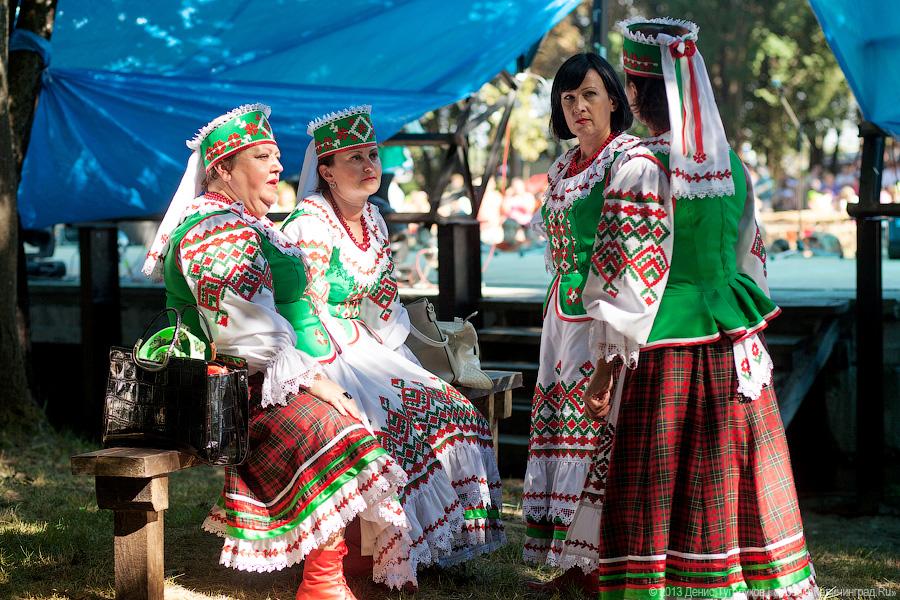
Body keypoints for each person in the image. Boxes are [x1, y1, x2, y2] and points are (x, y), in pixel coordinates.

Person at [556, 19, 819, 600]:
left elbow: (627, 280)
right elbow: (751, 258)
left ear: (634, 90)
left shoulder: (641, 168)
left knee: (661, 475)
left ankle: (666, 583)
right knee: (728, 469)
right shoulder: (731, 166)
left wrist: (603, 369)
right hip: (731, 339)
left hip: (664, 340)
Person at [141, 104, 411, 599]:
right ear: (222, 169)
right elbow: (243, 333)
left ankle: (339, 571)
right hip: (218, 383)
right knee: (333, 425)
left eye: (277, 156)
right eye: (262, 156)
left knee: (353, 416)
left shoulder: (249, 223)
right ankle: (322, 582)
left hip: (261, 371)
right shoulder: (212, 229)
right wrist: (317, 380)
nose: (277, 166)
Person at [280, 105, 506, 582]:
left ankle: (439, 544)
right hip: (323, 350)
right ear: (325, 170)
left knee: (454, 412)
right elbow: (302, 312)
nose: (368, 167)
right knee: (391, 426)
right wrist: (334, 373)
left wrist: (404, 363)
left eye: (373, 156)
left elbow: (383, 304)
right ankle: (374, 551)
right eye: (354, 158)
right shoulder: (309, 224)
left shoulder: (374, 220)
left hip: (367, 344)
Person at [521, 52, 665, 588]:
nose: (579, 107)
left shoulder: (624, 160)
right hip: (560, 315)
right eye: (568, 98)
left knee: (595, 426)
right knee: (564, 426)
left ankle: (597, 557)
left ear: (614, 99)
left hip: (602, 315)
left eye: (590, 95)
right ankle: (567, 555)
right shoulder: (564, 166)